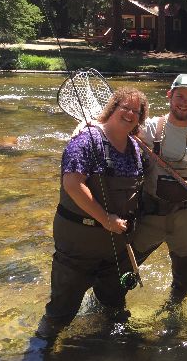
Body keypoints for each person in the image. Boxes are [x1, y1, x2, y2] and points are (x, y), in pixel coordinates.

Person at [37, 87, 149, 338]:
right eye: (125, 107)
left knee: (114, 306)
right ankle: (41, 348)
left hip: (116, 246)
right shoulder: (86, 140)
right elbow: (73, 185)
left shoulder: (135, 148)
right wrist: (105, 219)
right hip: (79, 242)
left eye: (136, 111)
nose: (130, 113)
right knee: (61, 310)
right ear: (112, 109)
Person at [132, 74, 187, 301]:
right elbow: (118, 142)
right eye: (180, 96)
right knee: (123, 267)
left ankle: (173, 315)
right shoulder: (148, 129)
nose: (184, 102)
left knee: (186, 282)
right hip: (150, 214)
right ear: (169, 95)